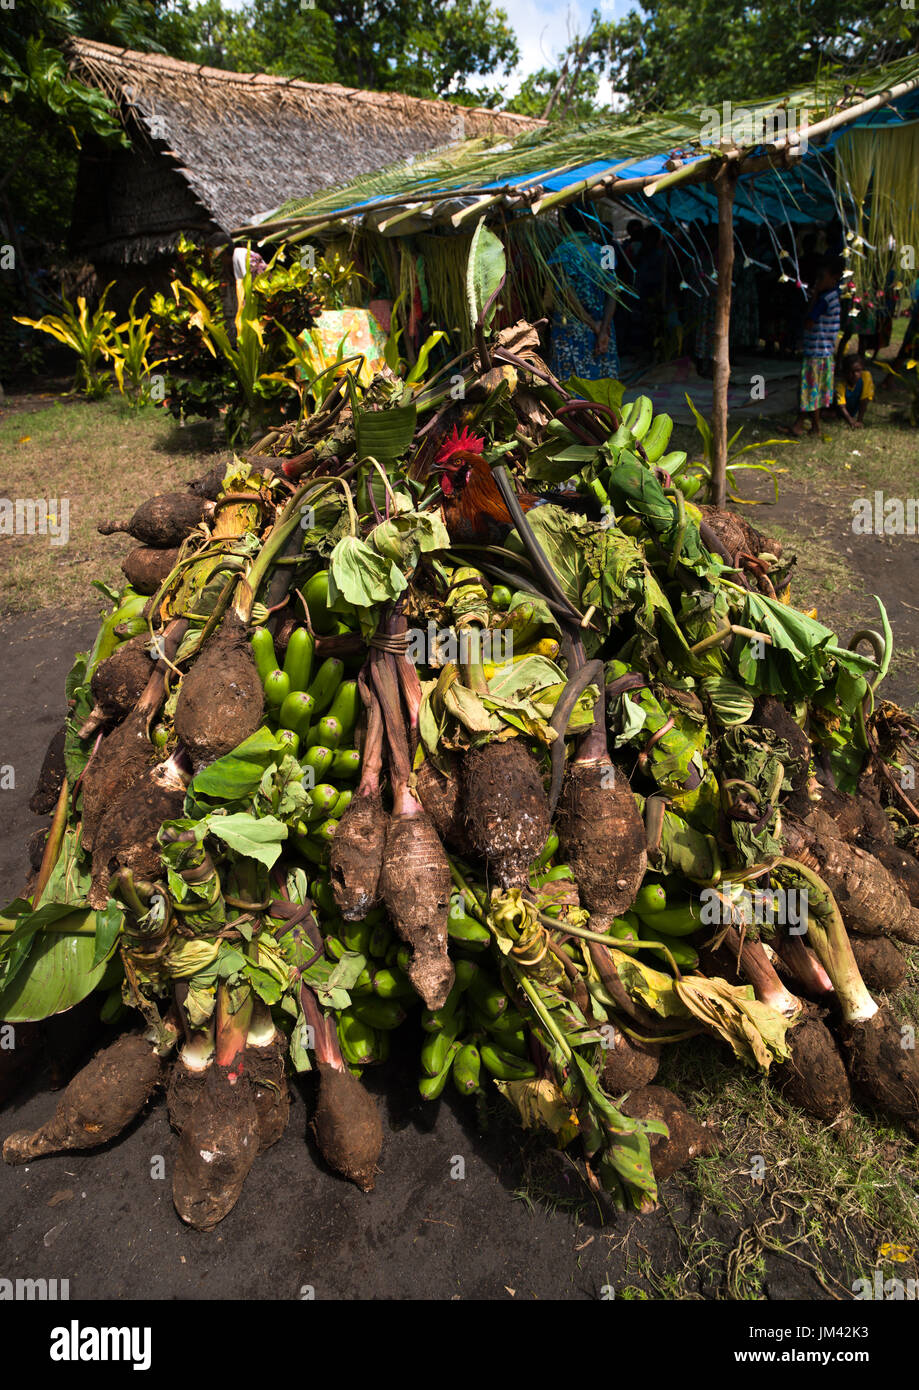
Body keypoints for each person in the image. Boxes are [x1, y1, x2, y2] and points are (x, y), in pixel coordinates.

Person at [546, 202, 620, 380]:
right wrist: (602, 328)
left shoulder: (561, 253)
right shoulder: (605, 251)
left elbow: (564, 293)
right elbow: (614, 293)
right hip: (604, 328)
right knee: (603, 386)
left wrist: (590, 323)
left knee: (573, 388)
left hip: (571, 330)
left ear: (562, 224)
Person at [793, 261, 842, 436]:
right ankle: (799, 424)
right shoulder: (835, 295)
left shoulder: (823, 299)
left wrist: (813, 297)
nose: (818, 281)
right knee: (812, 390)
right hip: (825, 351)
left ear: (834, 278)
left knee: (810, 391)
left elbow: (809, 322)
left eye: (822, 277)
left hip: (816, 351)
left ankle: (816, 428)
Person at [834, 354, 873, 428]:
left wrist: (859, 420)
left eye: (858, 371)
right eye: (851, 372)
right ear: (845, 373)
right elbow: (841, 405)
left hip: (852, 411)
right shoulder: (841, 385)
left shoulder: (866, 376)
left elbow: (865, 399)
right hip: (839, 411)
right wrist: (850, 420)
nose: (855, 374)